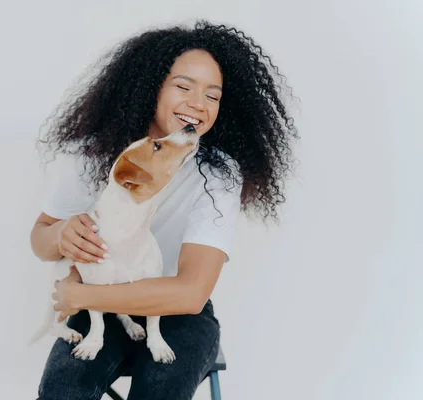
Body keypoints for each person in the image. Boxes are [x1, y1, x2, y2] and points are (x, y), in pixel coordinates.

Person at [30, 20, 298, 400]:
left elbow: (189, 294)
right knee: (61, 391)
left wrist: (81, 298)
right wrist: (60, 235)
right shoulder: (91, 154)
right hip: (100, 310)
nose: (198, 104)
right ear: (150, 85)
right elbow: (41, 240)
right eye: (183, 86)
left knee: (159, 391)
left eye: (213, 95)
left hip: (175, 315)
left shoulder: (217, 174)